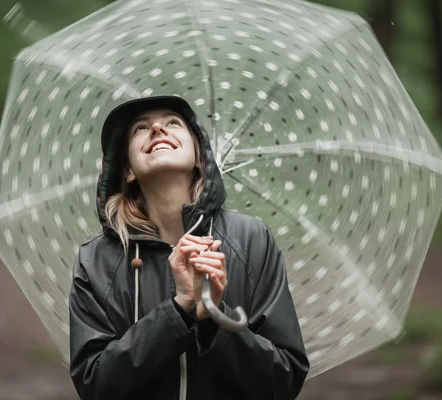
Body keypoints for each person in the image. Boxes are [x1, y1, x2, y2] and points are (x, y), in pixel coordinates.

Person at [68, 95, 310, 400]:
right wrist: (178, 309)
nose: (157, 128)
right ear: (128, 170)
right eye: (140, 129)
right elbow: (95, 385)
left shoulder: (251, 240)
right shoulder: (97, 260)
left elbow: (283, 380)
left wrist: (213, 315)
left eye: (173, 122)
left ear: (199, 158)